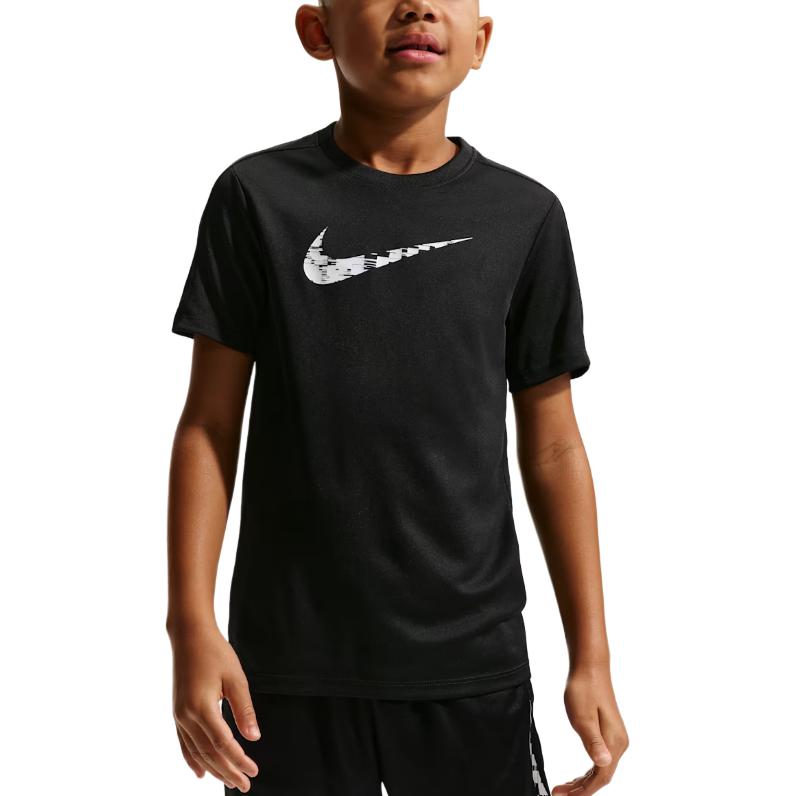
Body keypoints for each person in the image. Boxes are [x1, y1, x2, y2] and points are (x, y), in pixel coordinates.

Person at [166, 1, 629, 794]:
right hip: (287, 668)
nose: (417, 5)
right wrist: (190, 626)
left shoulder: (524, 216)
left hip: (471, 664)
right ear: (318, 32)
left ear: (480, 41)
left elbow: (554, 445)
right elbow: (209, 425)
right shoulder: (258, 197)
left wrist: (592, 656)